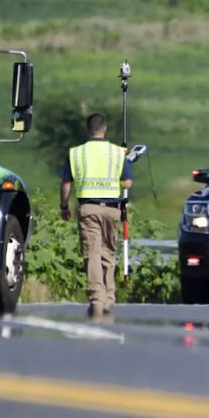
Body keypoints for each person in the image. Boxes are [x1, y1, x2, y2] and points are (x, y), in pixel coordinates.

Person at [59, 113, 132, 320]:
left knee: (92, 252)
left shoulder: (76, 153)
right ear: (105, 129)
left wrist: (64, 206)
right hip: (112, 208)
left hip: (88, 208)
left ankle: (97, 299)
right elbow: (127, 183)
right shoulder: (118, 153)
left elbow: (66, 184)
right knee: (108, 253)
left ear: (87, 130)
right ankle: (109, 297)